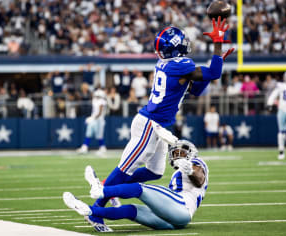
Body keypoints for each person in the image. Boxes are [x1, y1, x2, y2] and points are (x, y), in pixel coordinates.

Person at [83, 17, 234, 232]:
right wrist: (218, 46)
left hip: (159, 126)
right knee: (126, 168)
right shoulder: (180, 66)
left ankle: (110, 187)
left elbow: (197, 88)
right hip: (150, 124)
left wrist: (214, 65)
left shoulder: (173, 66)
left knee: (154, 172)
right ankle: (98, 207)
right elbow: (214, 73)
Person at [63, 140, 208, 231]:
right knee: (131, 210)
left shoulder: (198, 163)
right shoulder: (179, 173)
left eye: (181, 153)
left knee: (140, 188)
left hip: (181, 207)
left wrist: (190, 169)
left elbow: (199, 178)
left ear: (191, 153)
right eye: (175, 153)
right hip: (174, 221)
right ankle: (91, 211)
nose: (177, 156)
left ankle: (102, 190)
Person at [77, 87, 108, 156]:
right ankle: (85, 147)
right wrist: (92, 118)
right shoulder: (94, 100)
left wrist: (92, 118)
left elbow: (100, 113)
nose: (96, 97)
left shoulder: (102, 101)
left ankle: (102, 147)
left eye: (98, 96)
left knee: (99, 135)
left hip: (99, 120)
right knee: (89, 132)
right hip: (94, 119)